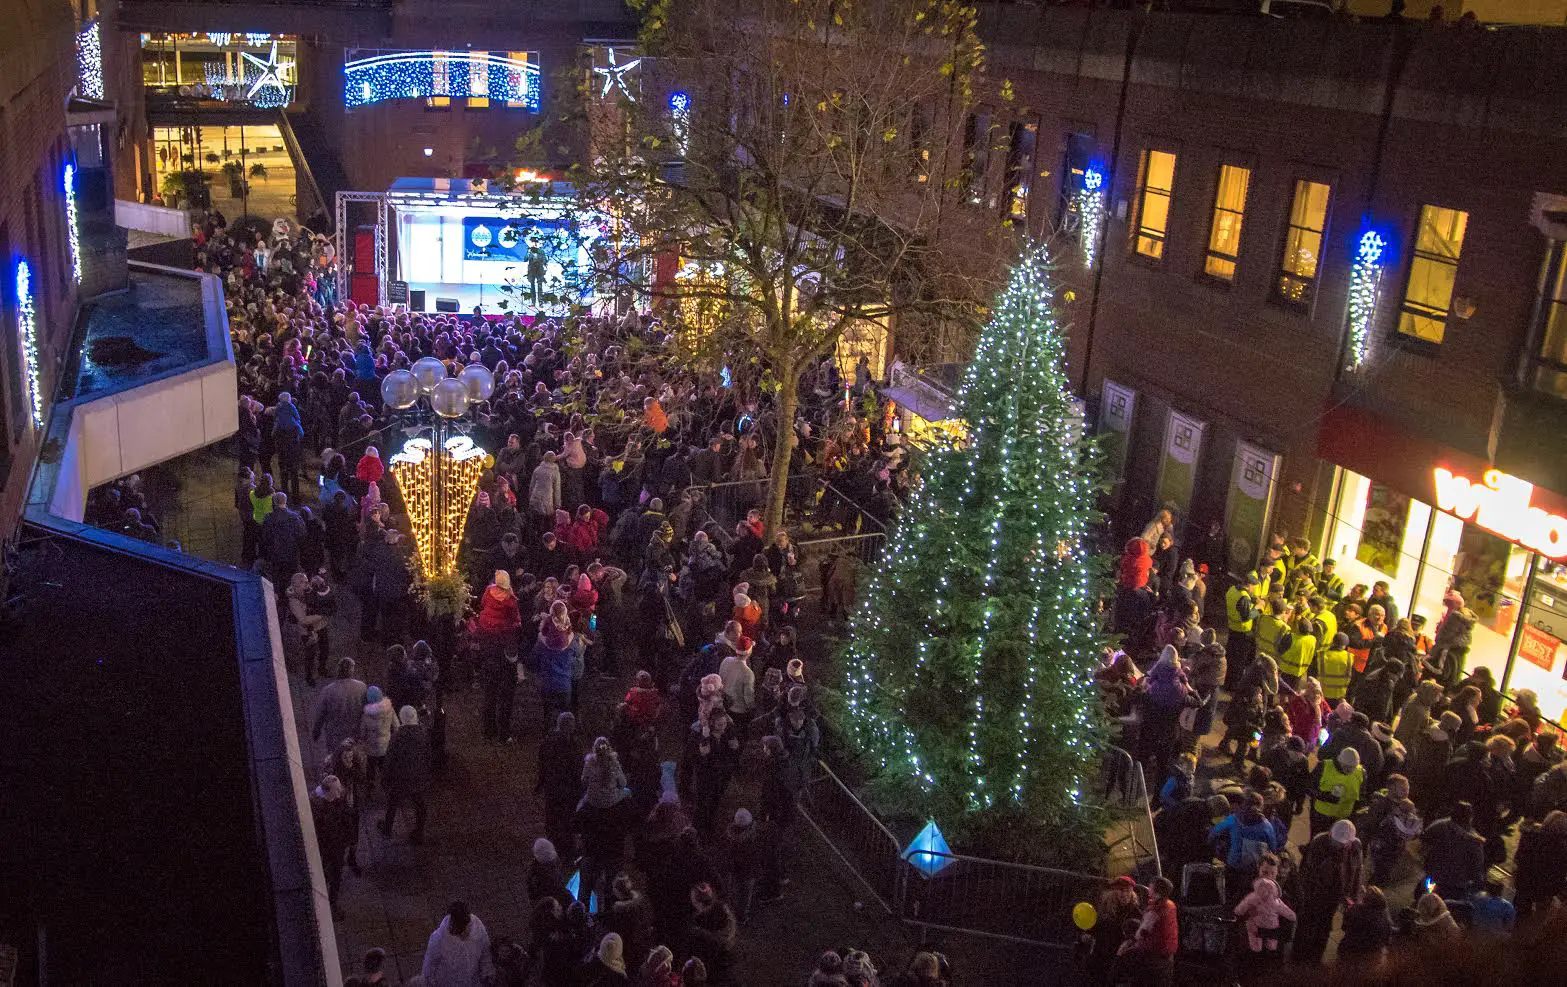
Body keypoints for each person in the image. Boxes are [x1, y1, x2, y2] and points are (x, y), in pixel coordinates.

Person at [1294, 819, 1364, 964]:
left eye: (1343, 843)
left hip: (1334, 896)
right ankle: (1298, 952)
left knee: (1324, 925)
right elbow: (1308, 872)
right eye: (1337, 842)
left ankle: (1316, 955)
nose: (1339, 845)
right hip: (1314, 894)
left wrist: (1353, 896)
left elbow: (1357, 871)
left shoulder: (1356, 846)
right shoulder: (1319, 843)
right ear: (1331, 833)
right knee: (1306, 922)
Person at [1112, 875, 1177, 986]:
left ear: (1156, 890)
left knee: (1120, 961)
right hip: (1167, 955)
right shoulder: (1170, 905)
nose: (1148, 888)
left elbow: (1142, 932)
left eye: (1151, 886)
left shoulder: (1155, 910)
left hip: (1152, 953)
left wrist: (1127, 945)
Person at [381, 705, 432, 844]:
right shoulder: (422, 734)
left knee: (393, 802)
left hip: (400, 776)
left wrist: (385, 778)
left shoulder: (398, 736)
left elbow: (390, 758)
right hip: (417, 774)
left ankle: (387, 827)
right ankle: (419, 832)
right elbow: (428, 755)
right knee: (419, 803)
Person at [310, 774, 355, 918]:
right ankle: (330, 905)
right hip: (328, 849)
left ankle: (332, 901)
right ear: (327, 791)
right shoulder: (318, 808)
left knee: (336, 874)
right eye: (337, 789)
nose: (340, 791)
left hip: (338, 846)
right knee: (332, 876)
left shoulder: (337, 800)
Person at [1421, 800, 1487, 896]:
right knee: (1449, 906)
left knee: (1428, 900)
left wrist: (1427, 861)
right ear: (1470, 818)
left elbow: (1424, 839)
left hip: (1433, 876)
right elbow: (1477, 865)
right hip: (1457, 884)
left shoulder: (1439, 825)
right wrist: (1478, 883)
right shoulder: (1475, 840)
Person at [421, 901, 494, 987]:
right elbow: (429, 967)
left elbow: (485, 954)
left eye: (463, 930)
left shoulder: (478, 929)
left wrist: (487, 974)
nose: (462, 935)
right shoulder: (438, 939)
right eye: (458, 931)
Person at [313, 657, 368, 754]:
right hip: (355, 734)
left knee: (336, 760)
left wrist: (316, 731)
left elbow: (320, 714)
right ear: (352, 670)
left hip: (335, 736)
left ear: (339, 670)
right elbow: (367, 710)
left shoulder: (328, 690)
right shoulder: (362, 687)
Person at [1309, 746, 1365, 837]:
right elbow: (1309, 787)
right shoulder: (1324, 766)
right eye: (1346, 767)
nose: (1350, 770)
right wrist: (1326, 797)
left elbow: (1361, 796)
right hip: (1322, 815)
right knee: (1317, 839)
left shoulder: (1361, 772)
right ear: (1340, 762)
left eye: (1353, 768)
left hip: (1343, 818)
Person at [1233, 877, 1294, 954]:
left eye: (1272, 873)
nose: (1268, 875)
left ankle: (1265, 948)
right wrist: (1247, 913)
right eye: (1265, 872)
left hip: (1271, 929)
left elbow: (1287, 913)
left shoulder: (1280, 898)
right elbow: (1239, 910)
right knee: (1257, 938)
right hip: (1259, 926)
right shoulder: (1250, 894)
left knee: (1268, 944)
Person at [359, 684, 398, 790]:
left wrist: (363, 742)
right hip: (385, 747)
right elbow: (396, 726)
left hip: (371, 748)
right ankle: (387, 788)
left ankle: (370, 789)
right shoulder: (389, 710)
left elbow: (363, 733)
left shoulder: (366, 715)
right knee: (384, 769)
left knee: (370, 770)